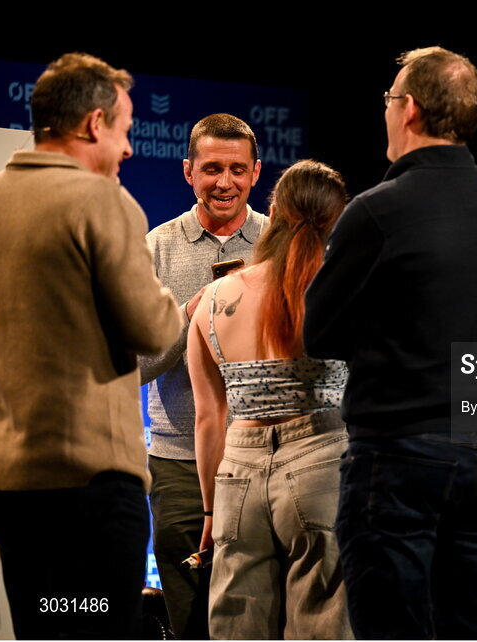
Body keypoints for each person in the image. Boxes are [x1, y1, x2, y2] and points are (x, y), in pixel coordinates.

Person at [303, 46, 477, 638]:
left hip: (398, 460)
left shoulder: (377, 212)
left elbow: (319, 333)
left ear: (409, 110)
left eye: (388, 98)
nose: (385, 110)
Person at [0, 52, 182, 639]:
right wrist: (181, 304)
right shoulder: (101, 202)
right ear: (94, 124)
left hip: (10, 482)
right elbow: (153, 329)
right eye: (124, 131)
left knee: (44, 628)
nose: (128, 150)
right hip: (90, 484)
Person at [187, 160, 350, 639]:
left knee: (236, 627)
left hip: (236, 473)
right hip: (321, 465)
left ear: (272, 210)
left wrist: (211, 510)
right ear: (338, 219)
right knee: (322, 624)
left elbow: (209, 419)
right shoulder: (340, 293)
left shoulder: (214, 298)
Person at [139, 113, 266, 639]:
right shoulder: (157, 248)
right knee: (188, 613)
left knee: (258, 610)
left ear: (256, 173)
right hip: (178, 462)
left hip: (265, 454)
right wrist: (191, 312)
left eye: (237, 169)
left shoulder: (278, 243)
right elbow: (136, 364)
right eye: (212, 168)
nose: (225, 183)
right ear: (188, 170)